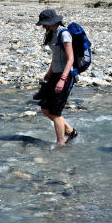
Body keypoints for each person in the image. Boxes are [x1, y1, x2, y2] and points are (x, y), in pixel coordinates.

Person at [35, 9, 78, 146]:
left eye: (45, 24)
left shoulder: (64, 33)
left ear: (52, 22)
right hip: (55, 73)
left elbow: (70, 59)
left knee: (55, 112)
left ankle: (61, 143)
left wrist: (62, 79)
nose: (43, 26)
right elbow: (56, 56)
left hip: (65, 75)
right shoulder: (52, 33)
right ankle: (70, 131)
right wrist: (50, 71)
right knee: (45, 108)